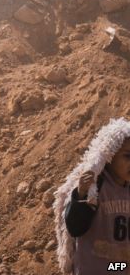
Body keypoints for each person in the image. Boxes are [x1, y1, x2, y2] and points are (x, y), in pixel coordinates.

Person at [54, 118, 130, 275]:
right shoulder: (95, 187)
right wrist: (81, 194)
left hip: (119, 267)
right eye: (128, 156)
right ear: (109, 156)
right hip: (94, 267)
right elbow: (75, 228)